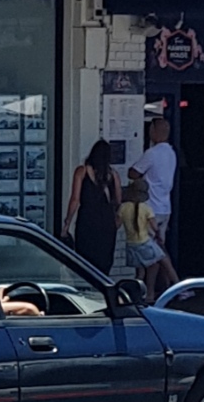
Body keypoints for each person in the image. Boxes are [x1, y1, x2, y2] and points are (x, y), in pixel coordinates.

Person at [128, 117, 186, 295]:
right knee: (157, 250)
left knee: (155, 253)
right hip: (165, 208)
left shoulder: (151, 153)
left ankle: (177, 287)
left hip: (150, 209)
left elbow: (133, 173)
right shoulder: (171, 153)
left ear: (154, 132)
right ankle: (154, 291)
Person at [62, 139, 121, 273]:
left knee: (85, 260)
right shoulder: (113, 175)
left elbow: (75, 199)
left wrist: (67, 222)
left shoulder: (81, 172)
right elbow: (118, 200)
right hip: (107, 222)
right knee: (104, 259)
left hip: (87, 219)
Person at [117, 177, 177, 304]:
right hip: (144, 243)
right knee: (164, 261)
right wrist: (159, 236)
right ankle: (179, 288)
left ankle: (138, 295)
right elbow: (155, 227)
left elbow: (116, 225)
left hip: (131, 245)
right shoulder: (146, 208)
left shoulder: (123, 207)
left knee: (141, 272)